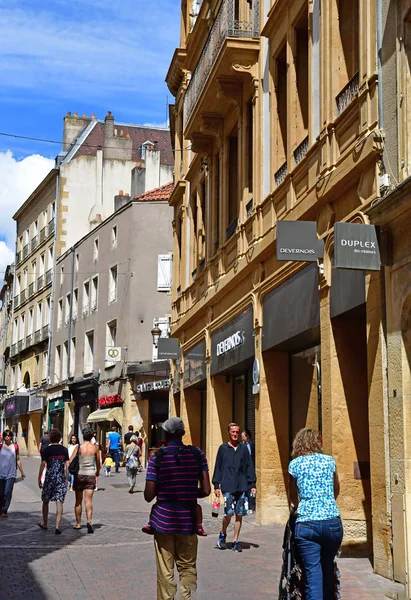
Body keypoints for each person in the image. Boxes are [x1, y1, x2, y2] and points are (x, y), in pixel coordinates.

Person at [144, 416, 211, 600]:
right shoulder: (198, 454)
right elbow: (206, 490)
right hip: (188, 521)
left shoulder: (157, 457)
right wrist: (188, 492)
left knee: (165, 573)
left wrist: (166, 489)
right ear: (183, 433)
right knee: (187, 569)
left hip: (163, 521)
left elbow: (148, 495)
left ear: (165, 434)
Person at [288, 428, 343, 600]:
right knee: (327, 568)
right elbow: (336, 489)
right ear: (317, 442)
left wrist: (298, 506)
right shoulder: (329, 461)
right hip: (332, 523)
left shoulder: (295, 464)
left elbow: (292, 496)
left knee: (312, 574)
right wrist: (325, 502)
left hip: (307, 524)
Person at [212, 422, 256, 552]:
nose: (235, 434)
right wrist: (216, 485)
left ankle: (236, 540)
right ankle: (223, 533)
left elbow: (249, 466)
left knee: (239, 514)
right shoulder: (223, 449)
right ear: (228, 433)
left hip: (242, 486)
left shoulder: (243, 449)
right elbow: (218, 467)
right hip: (228, 485)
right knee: (228, 514)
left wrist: (252, 484)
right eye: (233, 432)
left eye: (237, 432)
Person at [38, 428, 69, 534]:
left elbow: (43, 464)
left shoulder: (47, 450)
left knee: (45, 500)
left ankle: (45, 523)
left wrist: (39, 477)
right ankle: (57, 526)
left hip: (50, 478)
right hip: (60, 478)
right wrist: (67, 478)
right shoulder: (64, 450)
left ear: (50, 438)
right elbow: (67, 465)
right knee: (59, 501)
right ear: (60, 438)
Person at [70, 427, 101, 533]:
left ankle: (78, 523)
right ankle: (89, 521)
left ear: (83, 436)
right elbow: (98, 462)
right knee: (89, 500)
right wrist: (97, 472)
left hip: (80, 474)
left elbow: (70, 461)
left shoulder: (79, 447)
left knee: (78, 501)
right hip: (90, 474)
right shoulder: (95, 448)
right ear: (92, 436)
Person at [0, 429, 25, 517]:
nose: (7, 437)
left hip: (11, 473)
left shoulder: (15, 447)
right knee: (1, 493)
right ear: (3, 437)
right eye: (5, 435)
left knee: (7, 492)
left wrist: (22, 471)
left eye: (9, 435)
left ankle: (4, 510)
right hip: (1, 473)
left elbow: (18, 459)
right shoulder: (0, 446)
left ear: (11, 437)